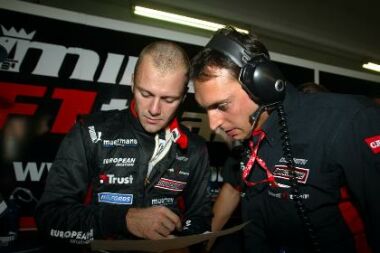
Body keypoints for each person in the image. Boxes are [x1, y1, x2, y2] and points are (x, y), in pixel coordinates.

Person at [191, 26, 380, 253]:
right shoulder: (248, 138)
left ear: (261, 84)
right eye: (206, 109)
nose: (213, 124)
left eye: (222, 105)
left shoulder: (348, 120)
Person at [35, 41, 211, 250]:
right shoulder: (89, 133)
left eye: (168, 99)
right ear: (132, 83)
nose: (154, 109)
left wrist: (184, 244)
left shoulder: (194, 148)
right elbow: (50, 217)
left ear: (183, 97)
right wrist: (123, 220)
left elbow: (200, 218)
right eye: (145, 94)